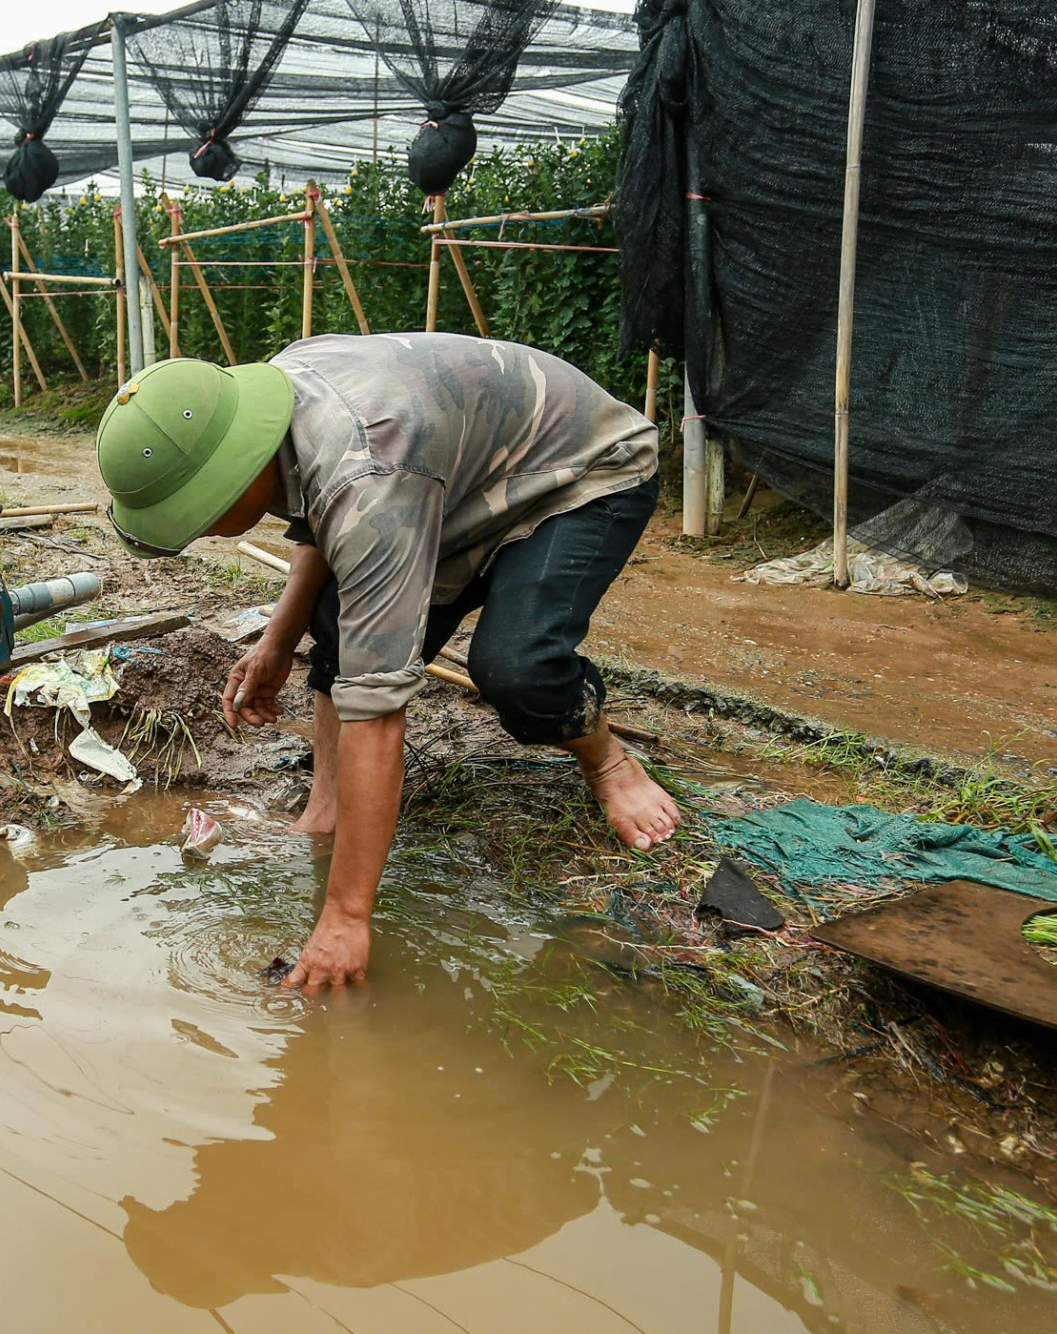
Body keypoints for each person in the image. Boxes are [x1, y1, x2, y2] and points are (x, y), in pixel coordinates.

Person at [97, 332, 678, 992]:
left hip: (578, 473)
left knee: (518, 665)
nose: (197, 529)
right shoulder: (276, 412)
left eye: (195, 515)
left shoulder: (371, 474)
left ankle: (608, 760)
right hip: (452, 483)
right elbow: (330, 520)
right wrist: (276, 644)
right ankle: (326, 808)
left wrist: (346, 916)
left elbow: (377, 709)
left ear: (234, 471)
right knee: (334, 617)